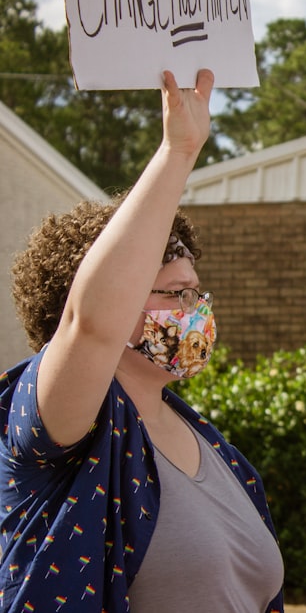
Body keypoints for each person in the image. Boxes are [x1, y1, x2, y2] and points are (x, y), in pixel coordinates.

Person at [0, 71, 284, 612]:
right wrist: (179, 151)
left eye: (196, 294)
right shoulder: (55, 425)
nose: (194, 313)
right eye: (176, 294)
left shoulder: (215, 448)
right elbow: (92, 324)